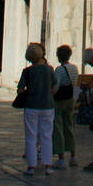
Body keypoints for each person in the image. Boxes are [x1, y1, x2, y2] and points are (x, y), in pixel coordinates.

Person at [18, 43, 56, 176]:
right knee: (47, 136)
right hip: (47, 106)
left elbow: (20, 90)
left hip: (31, 106)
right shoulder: (49, 69)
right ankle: (47, 166)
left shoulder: (27, 71)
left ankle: (31, 167)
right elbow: (54, 88)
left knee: (31, 136)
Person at [51, 45, 78, 169]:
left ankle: (61, 159)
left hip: (60, 101)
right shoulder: (74, 68)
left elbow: (56, 88)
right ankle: (73, 156)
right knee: (69, 126)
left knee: (58, 128)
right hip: (70, 99)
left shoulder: (59, 70)